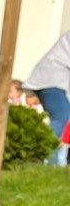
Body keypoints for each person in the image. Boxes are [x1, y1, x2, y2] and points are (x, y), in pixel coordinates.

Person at [22, 30, 70, 166]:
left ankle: (48, 157)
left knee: (63, 115)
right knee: (61, 115)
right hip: (50, 79)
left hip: (54, 80)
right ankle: (45, 156)